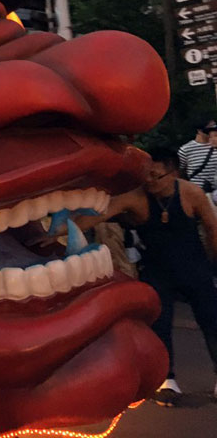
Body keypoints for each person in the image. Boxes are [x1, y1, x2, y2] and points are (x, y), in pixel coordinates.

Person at [75, 149, 217, 406]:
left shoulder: (191, 193)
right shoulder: (136, 197)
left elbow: (212, 227)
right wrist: (59, 230)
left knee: (212, 321)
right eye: (146, 175)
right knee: (160, 323)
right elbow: (98, 215)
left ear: (173, 173)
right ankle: (167, 381)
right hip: (156, 269)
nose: (149, 181)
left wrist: (213, 260)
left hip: (194, 267)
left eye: (156, 175)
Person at [178, 121, 217, 192]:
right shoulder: (186, 149)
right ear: (199, 131)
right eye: (208, 130)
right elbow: (180, 171)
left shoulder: (215, 146)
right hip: (196, 192)